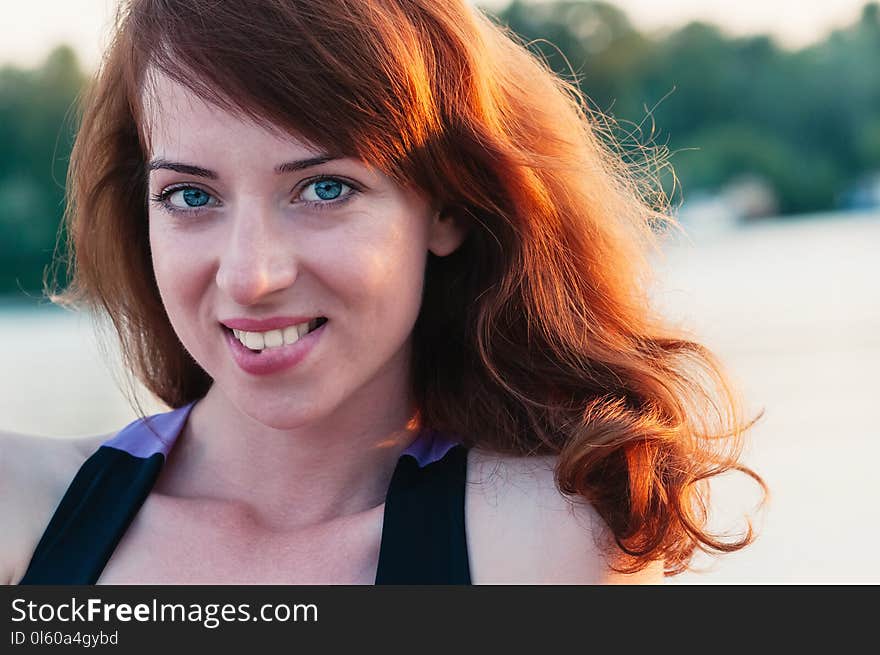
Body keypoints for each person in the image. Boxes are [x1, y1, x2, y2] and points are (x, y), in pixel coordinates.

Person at [3, 0, 765, 585]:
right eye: (191, 197)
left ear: (447, 206)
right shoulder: (20, 512)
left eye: (324, 188)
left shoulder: (542, 544)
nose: (249, 275)